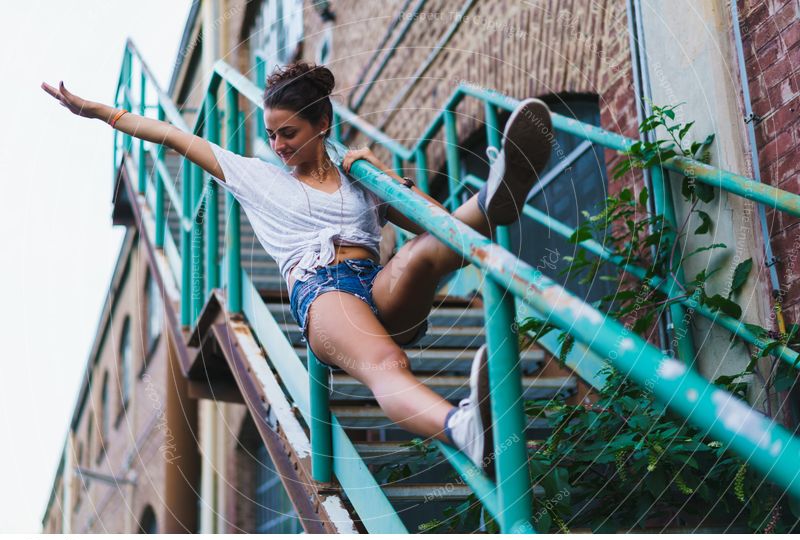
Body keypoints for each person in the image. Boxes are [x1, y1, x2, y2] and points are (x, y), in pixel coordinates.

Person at [41, 61, 552, 476]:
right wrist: (98, 112)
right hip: (323, 295)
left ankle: (493, 199)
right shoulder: (256, 178)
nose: (279, 145)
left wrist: (383, 177)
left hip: (377, 285)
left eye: (289, 133)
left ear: (321, 125)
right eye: (271, 134)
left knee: (423, 250)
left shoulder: (359, 176)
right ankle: (463, 429)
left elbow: (431, 224)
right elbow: (173, 137)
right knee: (385, 361)